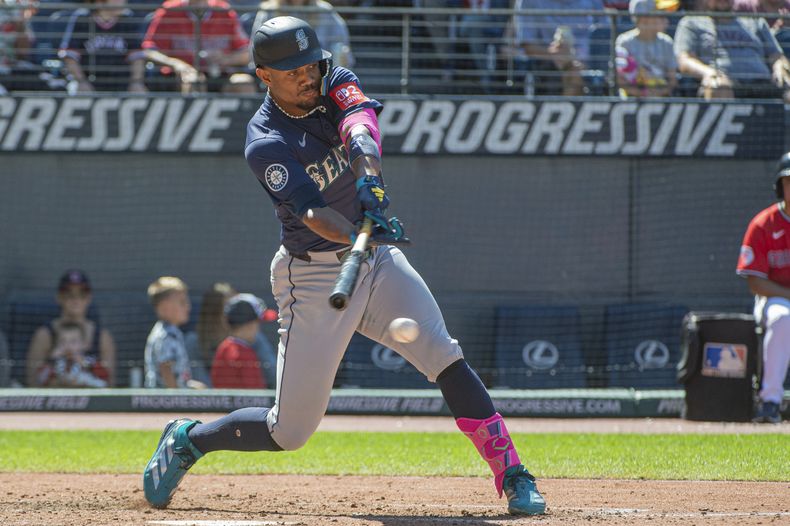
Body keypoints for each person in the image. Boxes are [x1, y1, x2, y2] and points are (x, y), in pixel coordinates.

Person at [142, 16, 546, 516]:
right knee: (289, 431)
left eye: (310, 63)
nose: (307, 75)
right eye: (293, 71)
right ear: (264, 75)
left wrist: (369, 181)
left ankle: (513, 475)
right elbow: (311, 212)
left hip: (373, 263)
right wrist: (363, 226)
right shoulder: (265, 140)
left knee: (444, 355)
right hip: (312, 274)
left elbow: (360, 125)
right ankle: (190, 440)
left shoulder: (331, 78)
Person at [736, 152, 790, 424]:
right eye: (789, 182)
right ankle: (770, 402)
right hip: (776, 298)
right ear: (780, 187)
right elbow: (755, 282)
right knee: (783, 319)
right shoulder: (763, 224)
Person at [674, 0, 790, 99]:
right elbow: (685, 60)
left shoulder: (755, 21)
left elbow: (776, 55)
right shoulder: (692, 22)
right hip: (725, 82)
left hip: (763, 83)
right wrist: (709, 73)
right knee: (718, 86)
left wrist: (780, 66)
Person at [141, 0, 257, 94]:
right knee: (194, 81)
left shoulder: (223, 10)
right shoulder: (170, 10)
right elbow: (150, 51)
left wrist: (225, 59)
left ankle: (243, 123)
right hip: (179, 76)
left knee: (243, 83)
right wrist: (177, 64)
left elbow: (246, 54)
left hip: (219, 73)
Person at [26, 269, 117, 387]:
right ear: (59, 297)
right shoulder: (44, 334)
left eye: (82, 294)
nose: (75, 299)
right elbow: (32, 381)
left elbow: (110, 383)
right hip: (54, 401)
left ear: (89, 298)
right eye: (69, 294)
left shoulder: (103, 336)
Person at [185, 282, 278, 387]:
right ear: (249, 324)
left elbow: (273, 374)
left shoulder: (229, 346)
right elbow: (254, 394)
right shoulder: (241, 353)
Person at [513, 0, 605, 96]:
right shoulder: (529, 2)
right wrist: (560, 56)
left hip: (592, 62)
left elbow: (605, 34)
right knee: (573, 72)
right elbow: (528, 47)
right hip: (549, 65)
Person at [57, 0, 148, 93]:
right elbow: (70, 56)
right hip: (88, 79)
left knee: (139, 93)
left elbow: (137, 57)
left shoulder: (128, 19)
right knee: (77, 91)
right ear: (99, 3)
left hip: (121, 81)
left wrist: (136, 82)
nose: (123, 2)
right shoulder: (83, 18)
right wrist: (81, 81)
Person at [143, 276, 206, 389]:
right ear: (164, 307)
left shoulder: (173, 333)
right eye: (182, 302)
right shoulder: (166, 335)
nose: (188, 307)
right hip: (163, 403)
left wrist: (191, 386)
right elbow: (166, 370)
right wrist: (175, 399)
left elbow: (176, 375)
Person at [253, 0, 354, 67]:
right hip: (282, 71)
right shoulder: (269, 10)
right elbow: (256, 48)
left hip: (319, 70)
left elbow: (341, 47)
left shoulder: (324, 10)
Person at [615, 0, 678, 97]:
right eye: (659, 15)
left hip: (661, 100)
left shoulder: (667, 42)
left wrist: (657, 93)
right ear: (644, 19)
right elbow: (619, 78)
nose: (665, 19)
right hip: (632, 100)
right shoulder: (624, 41)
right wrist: (642, 93)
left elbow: (672, 80)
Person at [210, 294, 268, 389]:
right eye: (258, 323)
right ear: (250, 324)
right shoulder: (246, 355)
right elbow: (256, 395)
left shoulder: (223, 347)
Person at [34, 322, 108, 387]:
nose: (68, 345)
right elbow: (40, 380)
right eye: (63, 342)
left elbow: (104, 380)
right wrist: (51, 360)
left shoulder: (89, 361)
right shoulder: (56, 362)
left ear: (83, 344)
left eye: (73, 342)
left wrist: (87, 366)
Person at [0, 0, 48, 93]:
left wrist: (20, 25)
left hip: (11, 68)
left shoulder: (15, 13)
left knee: (42, 81)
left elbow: (23, 53)